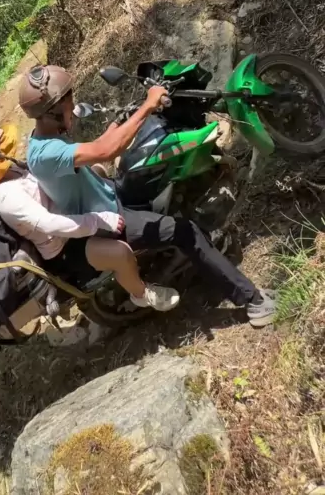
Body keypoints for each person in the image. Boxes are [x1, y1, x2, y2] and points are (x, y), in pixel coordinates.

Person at [19, 64, 277, 328]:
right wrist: (147, 106)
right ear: (51, 111)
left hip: (109, 194)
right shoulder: (45, 153)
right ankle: (252, 301)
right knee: (186, 232)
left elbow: (95, 146)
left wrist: (122, 119)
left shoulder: (48, 136)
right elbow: (105, 150)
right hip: (107, 222)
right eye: (68, 101)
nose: (73, 105)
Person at [0, 122, 180, 312]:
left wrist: (107, 138)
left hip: (71, 216)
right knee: (120, 254)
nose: (10, 145)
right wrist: (98, 220)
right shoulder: (6, 195)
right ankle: (140, 294)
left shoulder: (14, 170)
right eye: (3, 144)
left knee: (97, 170)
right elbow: (50, 224)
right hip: (64, 247)